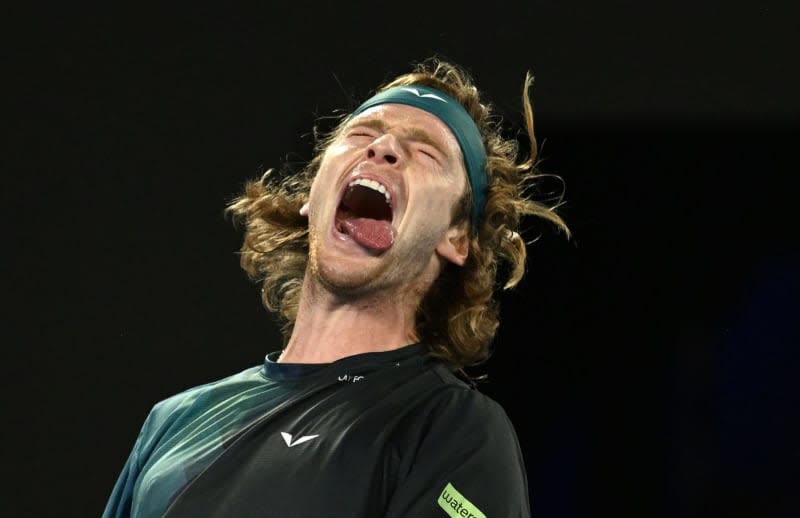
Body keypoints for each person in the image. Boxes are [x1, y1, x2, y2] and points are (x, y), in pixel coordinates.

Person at [103, 58, 569, 518]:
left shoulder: (452, 427)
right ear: (311, 196)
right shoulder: (175, 420)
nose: (384, 147)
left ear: (456, 237)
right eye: (361, 135)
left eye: (426, 152)